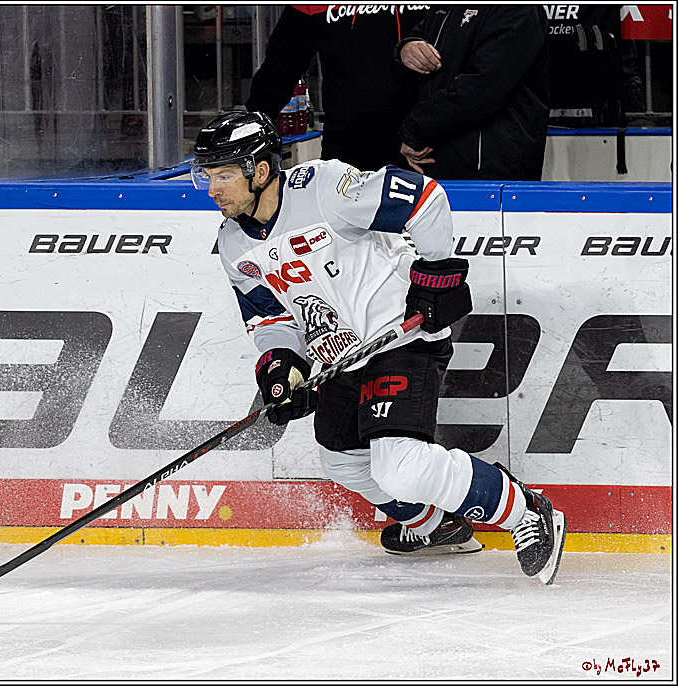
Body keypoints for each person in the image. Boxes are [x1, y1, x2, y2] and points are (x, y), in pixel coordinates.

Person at [191, 111, 567, 584]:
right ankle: (434, 526)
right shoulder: (232, 244)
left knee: (400, 466)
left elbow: (426, 199)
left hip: (400, 339)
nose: (212, 189)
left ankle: (527, 511)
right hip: (340, 358)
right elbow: (270, 318)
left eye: (223, 175)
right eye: (207, 176)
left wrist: (436, 272)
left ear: (260, 170)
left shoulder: (322, 188)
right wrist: (281, 364)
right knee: (342, 461)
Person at [245, 5, 428, 172]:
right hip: (347, 158)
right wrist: (248, 132)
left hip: (424, 151)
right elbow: (280, 67)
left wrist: (428, 128)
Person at [394, 6, 550, 180]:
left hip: (491, 166)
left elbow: (484, 90)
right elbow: (411, 53)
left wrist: (415, 130)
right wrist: (405, 50)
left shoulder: (517, 8)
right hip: (434, 156)